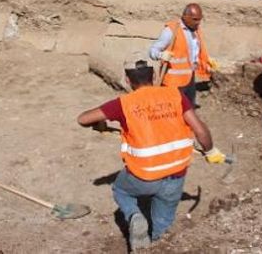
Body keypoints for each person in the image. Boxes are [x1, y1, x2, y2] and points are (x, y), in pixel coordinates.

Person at [76, 58, 225, 250]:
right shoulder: (175, 95)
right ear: (154, 76)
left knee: (121, 190)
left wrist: (100, 125)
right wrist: (210, 150)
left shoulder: (124, 104)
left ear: (128, 81)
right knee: (163, 220)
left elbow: (83, 118)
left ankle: (134, 216)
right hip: (176, 174)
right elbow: (200, 129)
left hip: (144, 175)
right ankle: (155, 243)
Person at [149, 3, 217, 106]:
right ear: (185, 17)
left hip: (189, 78)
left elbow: (193, 51)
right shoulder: (171, 31)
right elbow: (153, 50)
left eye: (199, 19)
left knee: (189, 108)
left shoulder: (195, 30)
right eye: (195, 19)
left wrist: (206, 60)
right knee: (172, 109)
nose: (198, 22)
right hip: (173, 81)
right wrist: (161, 55)